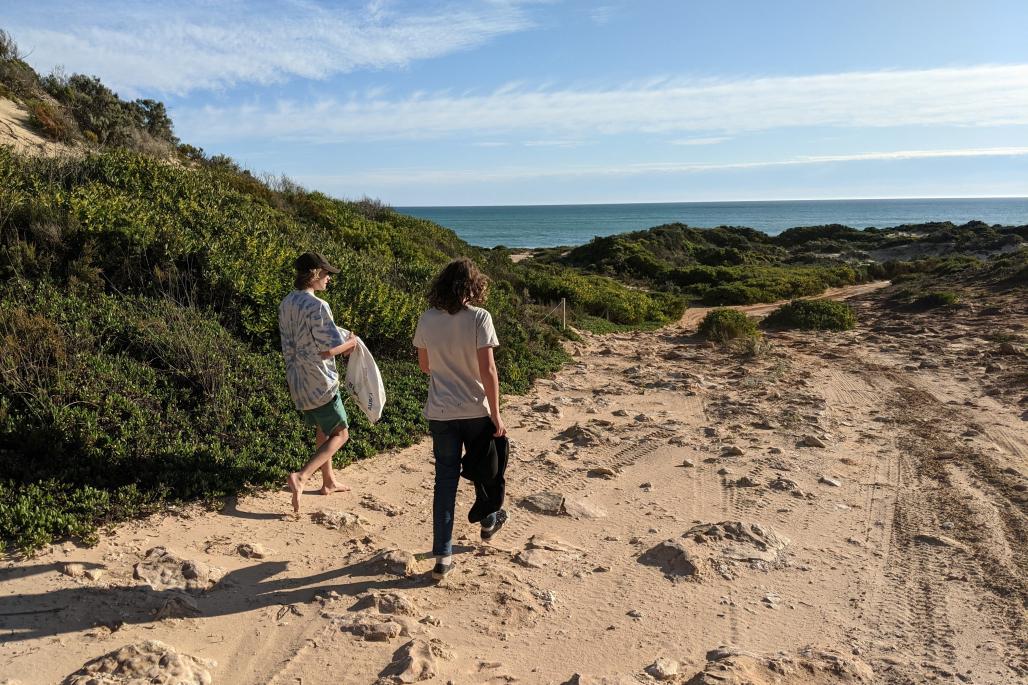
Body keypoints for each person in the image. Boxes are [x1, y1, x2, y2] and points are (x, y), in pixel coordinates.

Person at [413, 258, 508, 580]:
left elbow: (425, 366)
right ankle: (488, 519)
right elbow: (489, 371)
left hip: (440, 413)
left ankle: (442, 556)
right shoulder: (480, 318)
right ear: (473, 286)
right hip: (475, 411)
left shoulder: (427, 319)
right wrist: (496, 414)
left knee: (445, 482)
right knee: (485, 471)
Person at [279, 251, 358, 513]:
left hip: (298, 380)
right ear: (314, 274)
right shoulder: (318, 306)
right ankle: (302, 476)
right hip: (320, 381)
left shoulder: (286, 303)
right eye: (325, 274)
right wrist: (351, 343)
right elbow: (329, 350)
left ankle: (328, 481)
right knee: (341, 433)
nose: (328, 279)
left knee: (323, 430)